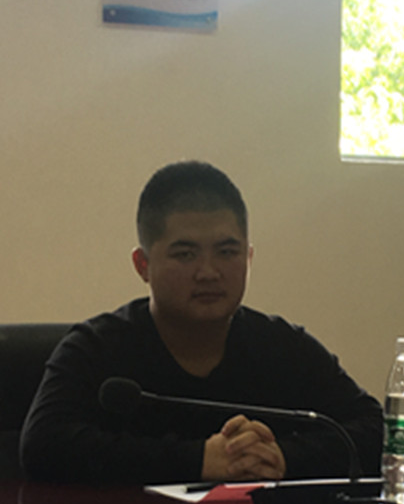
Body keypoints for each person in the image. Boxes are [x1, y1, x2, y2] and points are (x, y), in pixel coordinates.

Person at [20, 160, 383, 484]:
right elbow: (43, 447)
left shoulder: (284, 346)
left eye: (227, 252)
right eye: (185, 254)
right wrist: (199, 460)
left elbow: (378, 431)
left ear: (249, 257)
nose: (208, 272)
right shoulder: (96, 347)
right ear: (143, 265)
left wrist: (282, 457)